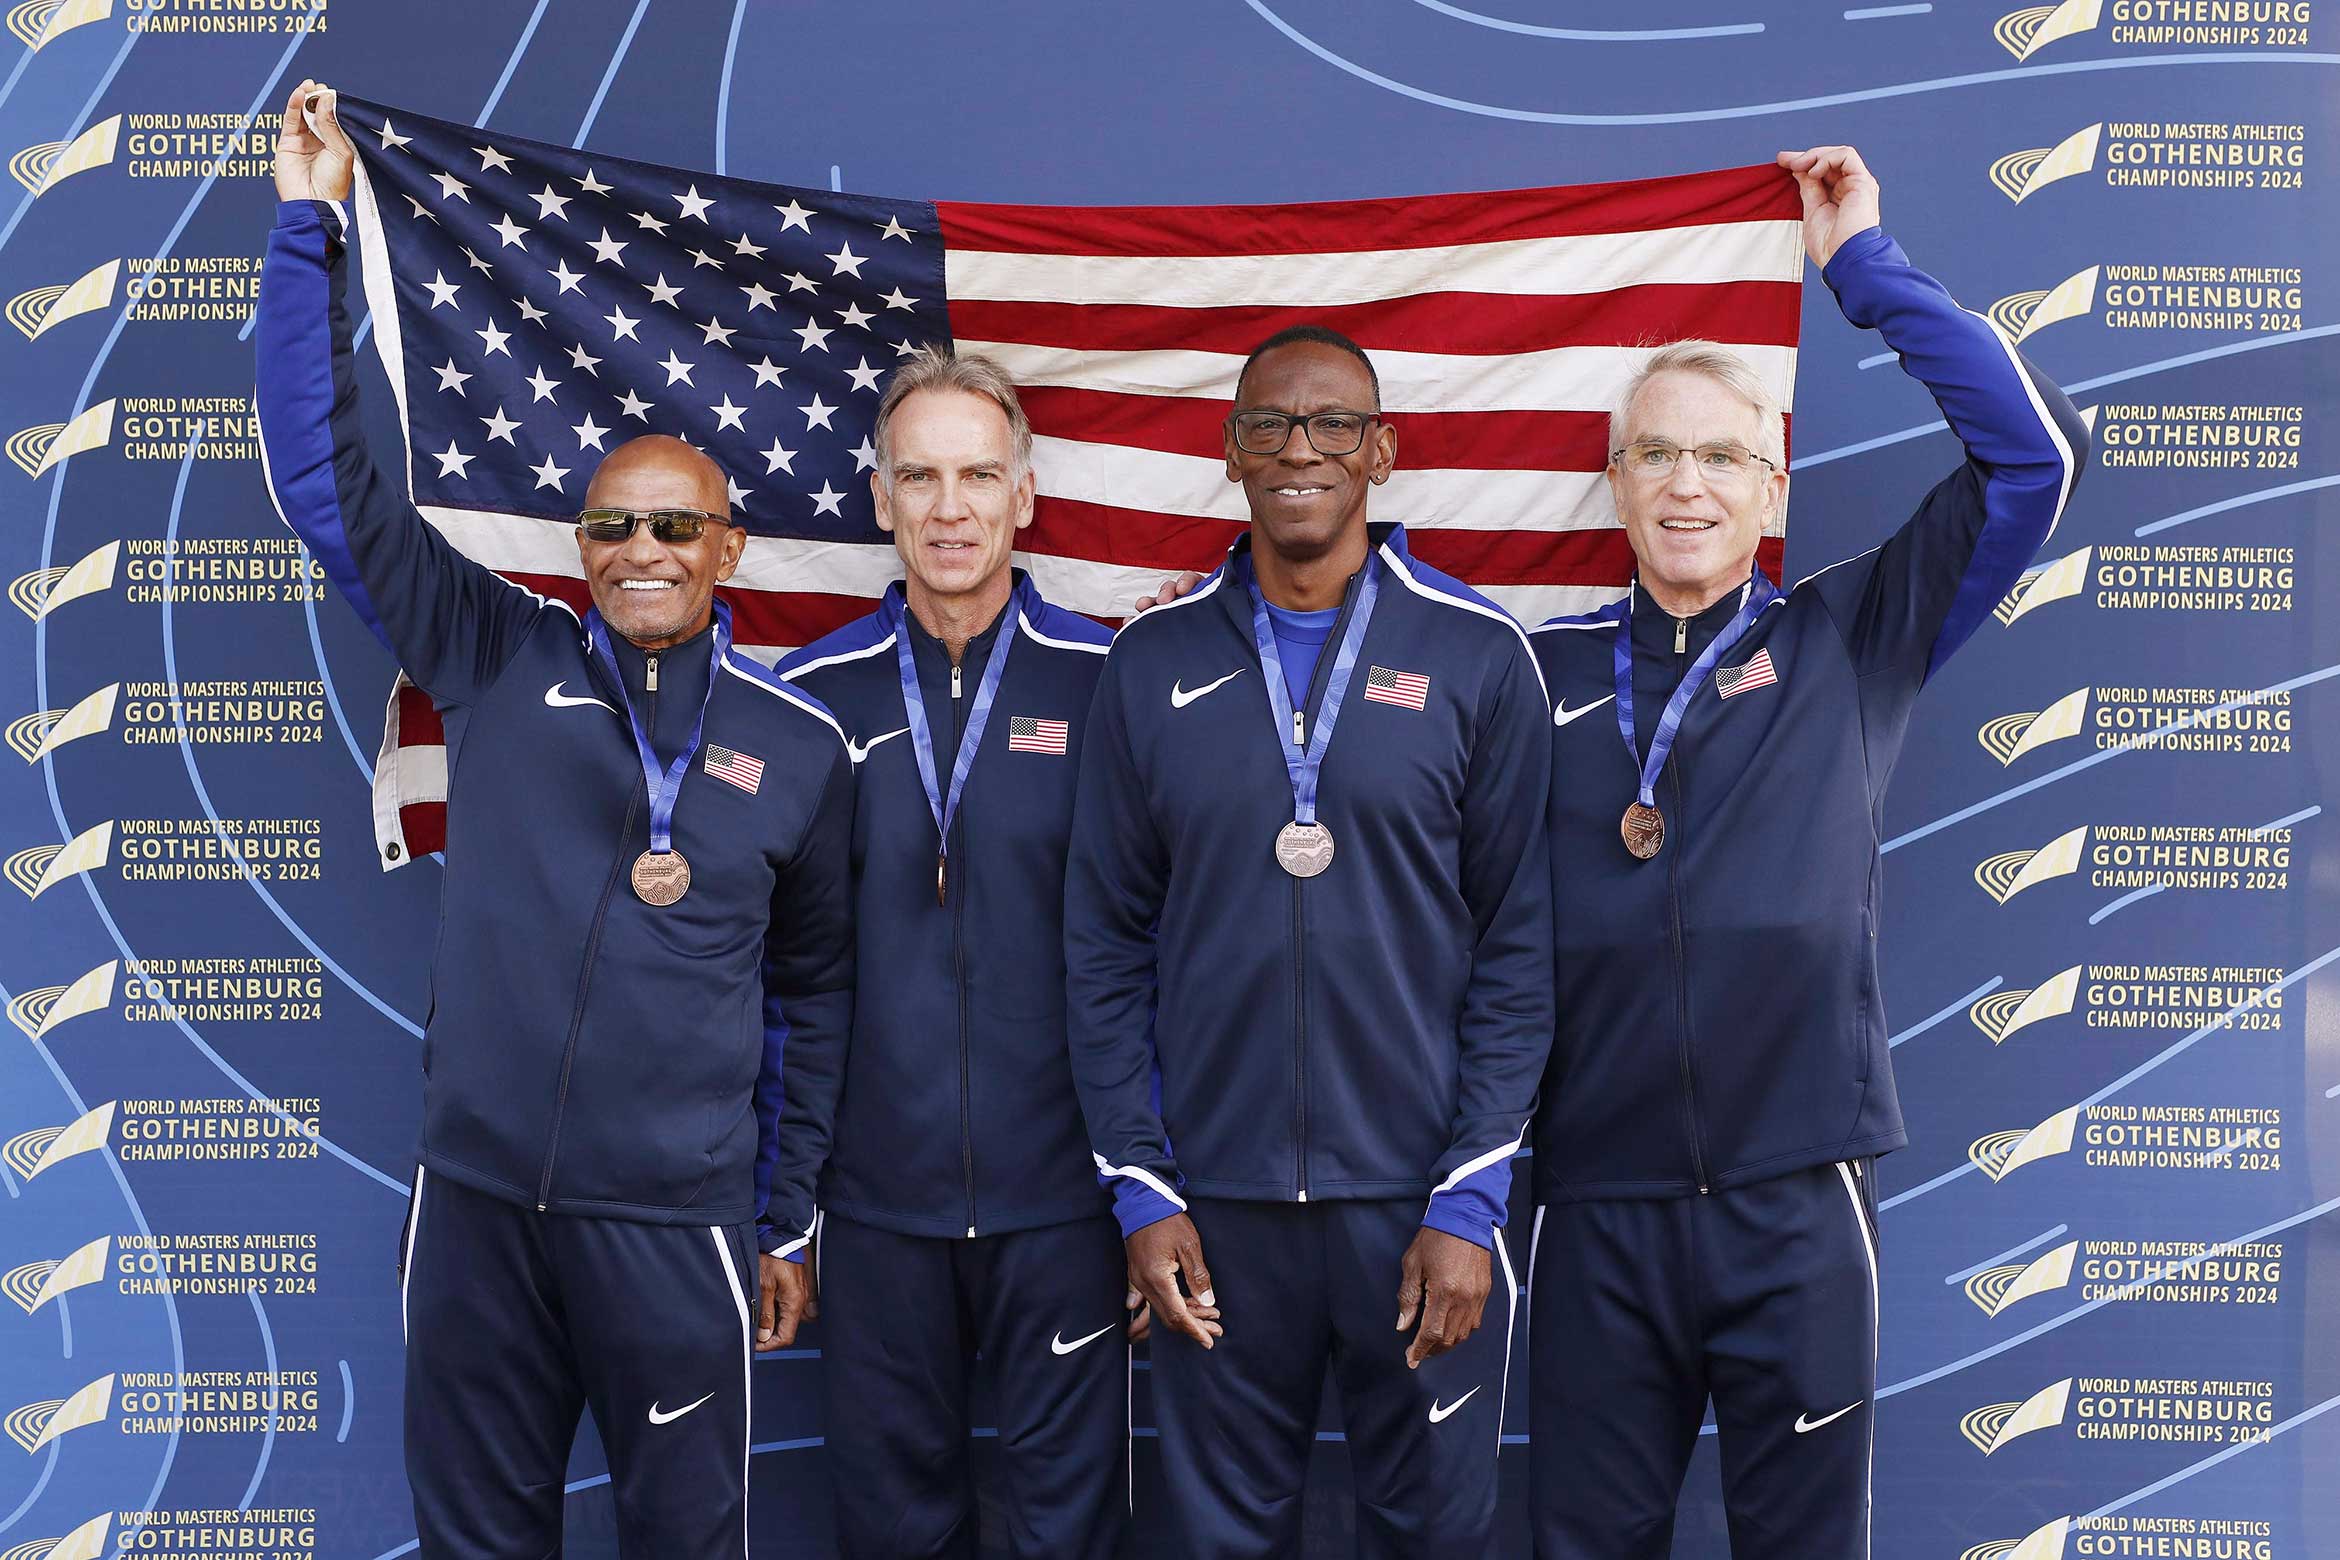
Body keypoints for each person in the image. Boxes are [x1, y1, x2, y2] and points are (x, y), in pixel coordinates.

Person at [258, 82, 854, 1558]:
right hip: (474, 1217)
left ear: (730, 546)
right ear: (577, 544)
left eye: (672, 526)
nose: (641, 549)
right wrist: (305, 229)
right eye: (610, 525)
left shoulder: (799, 747)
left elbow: (820, 996)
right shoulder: (494, 650)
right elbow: (329, 488)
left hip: (675, 1234)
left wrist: (781, 1219)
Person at [1522, 147, 2089, 1558]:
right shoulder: (1522, 675)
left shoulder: (1853, 636)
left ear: (1772, 487)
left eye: (1721, 454)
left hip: (1799, 1206)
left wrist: (1864, 267)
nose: (1688, 483)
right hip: (1597, 1207)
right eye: (1656, 450)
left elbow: (2036, 454)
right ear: (1616, 483)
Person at [1065, 324, 1556, 1555]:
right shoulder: (1149, 661)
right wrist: (1140, 1183)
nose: (1302, 451)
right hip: (1211, 1209)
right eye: (1271, 427)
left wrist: (1471, 1197)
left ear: (1382, 452)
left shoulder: (1479, 655)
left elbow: (1517, 945)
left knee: (1431, 1534)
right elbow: (1106, 946)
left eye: (1335, 425)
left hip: (1416, 1205)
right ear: (1229, 454)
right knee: (1220, 1539)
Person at [775, 350, 1127, 1558]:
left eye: (979, 474)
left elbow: (1163, 949)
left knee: (1066, 1532)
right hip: (875, 1210)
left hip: (1067, 1203)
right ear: (880, 499)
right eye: (919, 477)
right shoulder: (809, 701)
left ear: (1025, 493)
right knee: (891, 1530)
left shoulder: (1111, 681)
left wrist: (1146, 1187)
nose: (950, 507)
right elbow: (781, 973)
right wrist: (792, 1202)